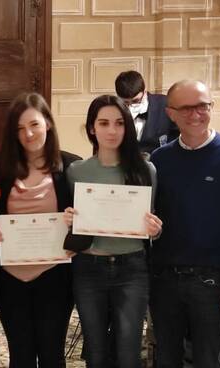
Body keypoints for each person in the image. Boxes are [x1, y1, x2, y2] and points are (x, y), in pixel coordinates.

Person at [149, 80, 220, 368]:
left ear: (211, 106)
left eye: (202, 105)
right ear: (171, 113)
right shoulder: (160, 160)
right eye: (186, 108)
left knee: (206, 361)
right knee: (165, 358)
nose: (195, 114)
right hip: (164, 281)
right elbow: (151, 218)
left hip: (212, 281)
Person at [63, 95, 162, 368]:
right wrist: (69, 218)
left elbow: (150, 225)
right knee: (95, 352)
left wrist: (155, 230)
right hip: (88, 268)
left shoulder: (146, 170)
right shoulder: (76, 172)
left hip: (132, 268)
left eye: (119, 123)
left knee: (129, 353)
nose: (112, 130)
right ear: (92, 128)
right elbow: (71, 223)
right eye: (104, 123)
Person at [0, 92, 80, 367]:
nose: (28, 134)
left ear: (48, 123)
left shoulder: (71, 166)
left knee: (52, 355)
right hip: (10, 279)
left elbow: (86, 225)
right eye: (19, 128)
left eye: (34, 124)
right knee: (21, 355)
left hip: (55, 278)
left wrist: (76, 225)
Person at [115, 70, 178, 154]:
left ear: (144, 92)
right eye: (125, 102)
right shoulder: (113, 109)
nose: (130, 106)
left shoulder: (165, 104)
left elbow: (178, 136)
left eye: (135, 101)